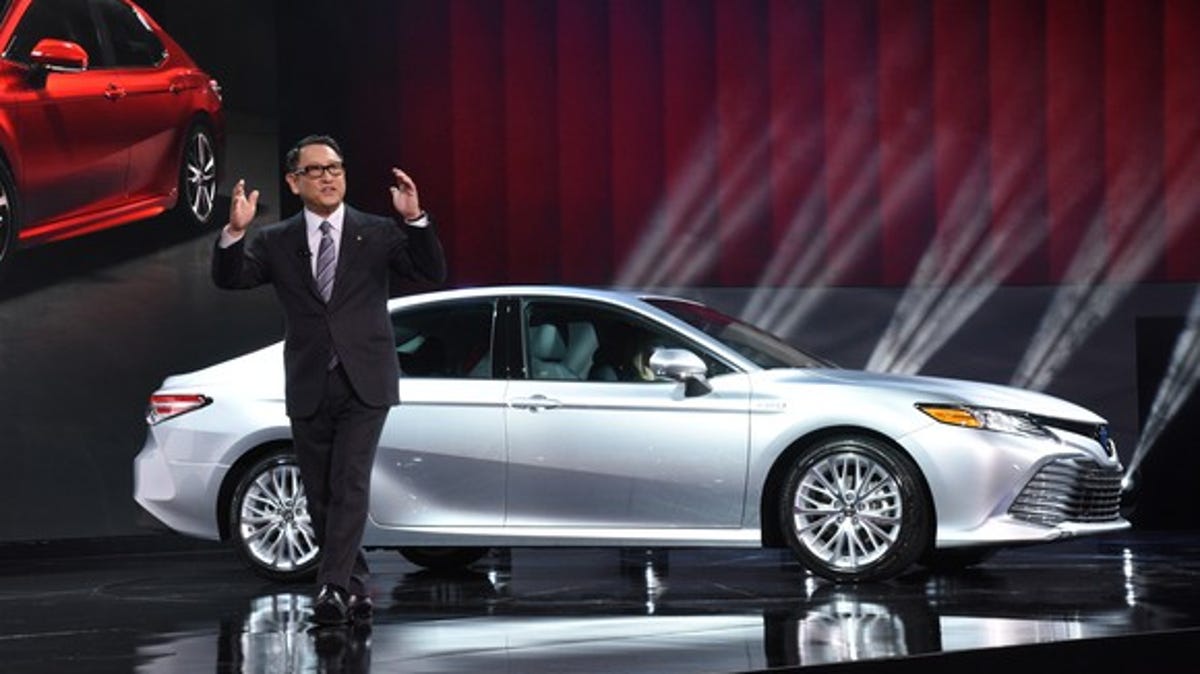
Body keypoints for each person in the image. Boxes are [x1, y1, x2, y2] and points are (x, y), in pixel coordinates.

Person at [212, 134, 446, 626]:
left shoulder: (378, 232)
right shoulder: (277, 241)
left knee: (350, 482)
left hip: (366, 380)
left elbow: (431, 270)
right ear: (294, 182)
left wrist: (414, 219)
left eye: (335, 168)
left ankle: (332, 588)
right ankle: (355, 585)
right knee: (319, 492)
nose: (327, 177)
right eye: (315, 170)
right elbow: (232, 280)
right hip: (309, 380)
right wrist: (234, 233)